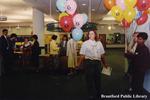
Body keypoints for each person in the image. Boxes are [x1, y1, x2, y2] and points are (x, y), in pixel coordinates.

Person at [77, 30, 108, 100]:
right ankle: (91, 94)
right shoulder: (85, 43)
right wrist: (78, 64)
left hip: (97, 63)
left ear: (95, 35)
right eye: (89, 34)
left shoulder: (99, 43)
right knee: (89, 79)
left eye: (92, 34)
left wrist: (105, 63)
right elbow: (82, 55)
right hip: (88, 63)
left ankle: (98, 93)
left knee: (98, 79)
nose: (91, 35)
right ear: (88, 35)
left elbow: (102, 55)